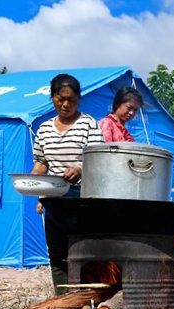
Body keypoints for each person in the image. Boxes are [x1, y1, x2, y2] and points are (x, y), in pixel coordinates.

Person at [31, 73, 104, 295]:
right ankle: (63, 300)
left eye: (71, 100)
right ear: (52, 98)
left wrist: (80, 169)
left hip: (83, 196)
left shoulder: (88, 123)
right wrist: (35, 185)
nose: (65, 104)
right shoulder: (44, 129)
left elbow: (98, 158)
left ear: (78, 99)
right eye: (60, 99)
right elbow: (41, 163)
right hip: (54, 199)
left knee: (84, 248)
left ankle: (87, 298)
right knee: (57, 250)